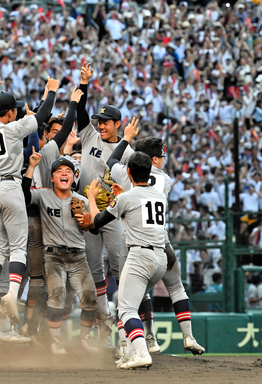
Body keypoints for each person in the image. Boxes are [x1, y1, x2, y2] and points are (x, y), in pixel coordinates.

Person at [107, 119, 204, 357]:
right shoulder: (166, 180)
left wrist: (126, 139)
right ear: (153, 159)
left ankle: (130, 343)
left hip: (134, 243)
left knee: (128, 296)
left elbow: (111, 162)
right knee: (177, 288)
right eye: (160, 156)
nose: (163, 160)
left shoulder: (125, 173)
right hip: (162, 242)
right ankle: (188, 336)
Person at [0, 76, 56, 325]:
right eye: (14, 110)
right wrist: (51, 92)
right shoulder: (12, 128)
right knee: (17, 248)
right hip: (9, 186)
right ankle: (11, 294)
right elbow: (42, 116)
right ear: (9, 113)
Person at [85, 152, 168, 370]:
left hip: (140, 257)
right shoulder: (160, 196)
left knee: (126, 309)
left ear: (128, 172)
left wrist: (92, 198)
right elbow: (135, 212)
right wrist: (121, 198)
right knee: (132, 303)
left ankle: (141, 353)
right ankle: (130, 354)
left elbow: (96, 221)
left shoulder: (126, 198)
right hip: (160, 260)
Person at [76, 62, 134, 348]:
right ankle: (105, 323)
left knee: (121, 269)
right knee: (94, 269)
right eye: (99, 120)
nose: (100, 124)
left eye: (106, 121)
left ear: (117, 124)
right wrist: (84, 84)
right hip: (86, 212)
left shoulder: (127, 151)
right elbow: (80, 112)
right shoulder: (89, 136)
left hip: (112, 215)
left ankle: (131, 327)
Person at [22, 154, 98, 355]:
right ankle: (56, 340)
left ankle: (84, 338)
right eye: (59, 171)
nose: (64, 174)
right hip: (53, 257)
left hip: (78, 257)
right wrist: (31, 167)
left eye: (69, 172)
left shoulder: (81, 200)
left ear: (74, 178)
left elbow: (96, 228)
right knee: (56, 296)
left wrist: (89, 221)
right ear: (53, 178)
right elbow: (24, 195)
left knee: (91, 299)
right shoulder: (44, 195)